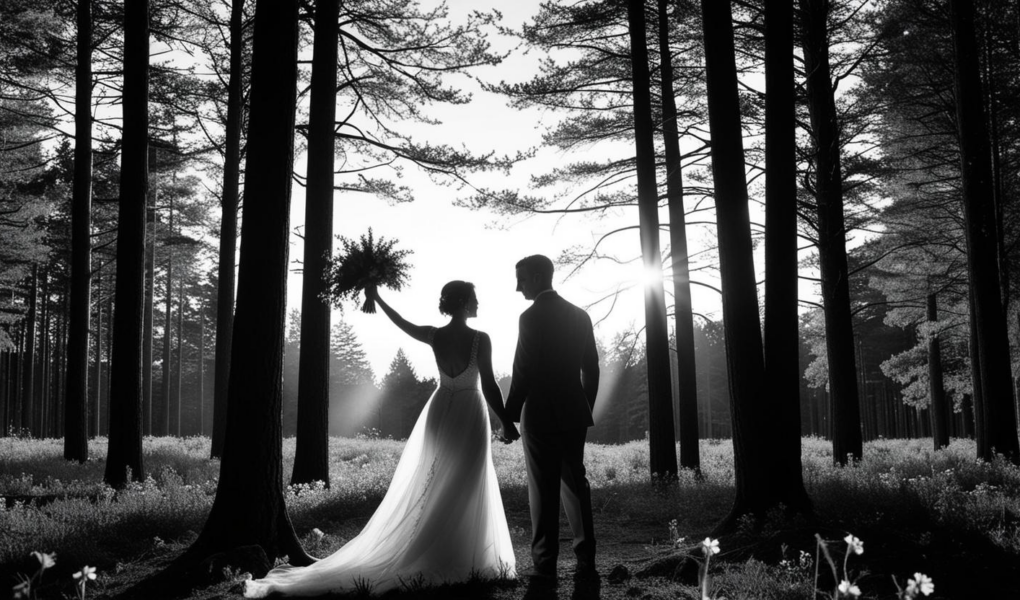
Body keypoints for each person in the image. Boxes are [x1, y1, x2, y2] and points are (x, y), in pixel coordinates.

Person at [244, 281, 518, 598]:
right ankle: (462, 555)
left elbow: (401, 323)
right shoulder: (480, 339)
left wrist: (378, 298)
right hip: (469, 411)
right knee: (469, 479)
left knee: (437, 482)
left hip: (441, 410)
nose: (478, 302)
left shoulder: (435, 335)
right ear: (465, 303)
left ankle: (438, 549)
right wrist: (507, 423)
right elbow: (489, 384)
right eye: (475, 298)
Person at [505, 254, 600, 582]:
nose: (517, 288)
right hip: (575, 411)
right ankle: (586, 558)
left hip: (540, 413)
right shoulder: (580, 315)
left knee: (542, 489)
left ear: (536, 277)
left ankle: (545, 563)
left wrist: (508, 416)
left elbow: (523, 370)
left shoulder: (529, 318)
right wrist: (583, 405)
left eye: (521, 279)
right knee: (576, 483)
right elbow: (592, 368)